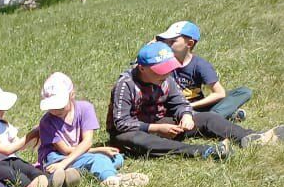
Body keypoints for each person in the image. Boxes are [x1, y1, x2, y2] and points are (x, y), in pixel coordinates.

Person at [107, 41, 280, 159]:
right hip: (133, 132)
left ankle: (249, 137)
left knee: (206, 117)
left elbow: (180, 102)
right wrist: (157, 128)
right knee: (133, 139)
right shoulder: (125, 85)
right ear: (142, 68)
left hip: (161, 123)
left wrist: (186, 115)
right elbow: (121, 122)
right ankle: (205, 151)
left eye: (168, 69)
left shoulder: (166, 79)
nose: (166, 73)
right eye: (160, 70)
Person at [38, 72, 150, 187]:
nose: (55, 110)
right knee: (98, 159)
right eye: (51, 106)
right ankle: (111, 179)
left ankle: (75, 173)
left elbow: (87, 141)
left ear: (72, 95)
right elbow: (66, 150)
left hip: (78, 153)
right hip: (58, 158)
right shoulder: (46, 122)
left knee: (117, 158)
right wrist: (98, 150)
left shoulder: (85, 108)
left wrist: (97, 151)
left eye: (59, 105)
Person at [0, 83, 70, 187]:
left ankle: (56, 183)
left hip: (13, 159)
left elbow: (17, 145)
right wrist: (30, 135)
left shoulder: (3, 124)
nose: (4, 110)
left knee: (31, 171)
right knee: (16, 177)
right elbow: (5, 150)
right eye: (0, 109)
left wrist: (36, 134)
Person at [156, 21, 252, 122]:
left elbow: (219, 93)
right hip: (174, 108)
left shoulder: (200, 65)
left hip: (196, 106)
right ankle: (217, 118)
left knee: (244, 92)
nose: (167, 45)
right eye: (165, 41)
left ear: (189, 43)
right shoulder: (161, 62)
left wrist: (190, 105)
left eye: (172, 42)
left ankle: (211, 117)